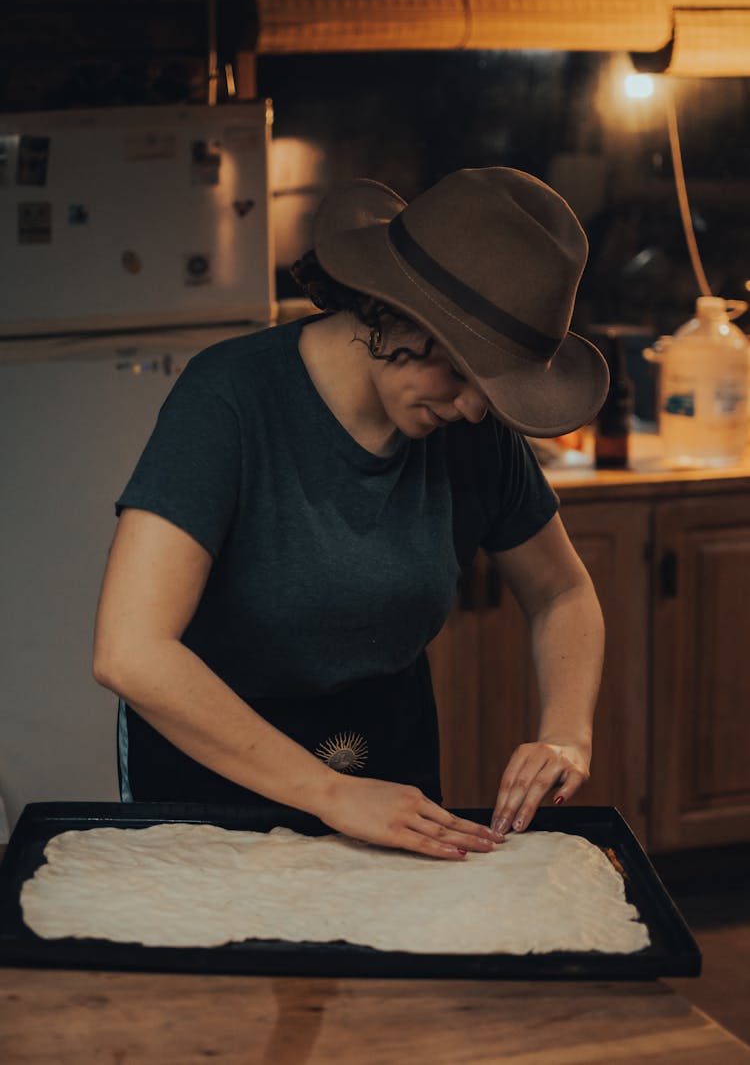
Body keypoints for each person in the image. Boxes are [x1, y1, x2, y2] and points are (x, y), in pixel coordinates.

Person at [93, 166, 609, 862]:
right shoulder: (229, 400)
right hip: (216, 755)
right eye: (459, 372)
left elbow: (562, 590)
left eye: (494, 387)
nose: (475, 408)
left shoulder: (473, 431)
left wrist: (566, 732)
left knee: (391, 964)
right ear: (389, 310)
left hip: (386, 758)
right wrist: (328, 792)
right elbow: (130, 650)